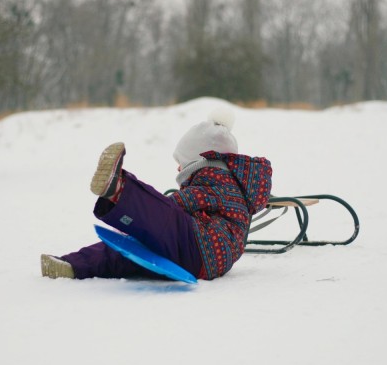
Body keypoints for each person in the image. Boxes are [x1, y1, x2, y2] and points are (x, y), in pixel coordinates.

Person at [40, 109, 272, 281]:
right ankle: (70, 265)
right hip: (202, 259)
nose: (178, 169)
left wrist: (151, 213)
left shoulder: (218, 183)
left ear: (199, 162)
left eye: (181, 163)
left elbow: (180, 204)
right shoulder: (226, 185)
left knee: (163, 216)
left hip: (202, 247)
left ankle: (117, 189)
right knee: (126, 252)